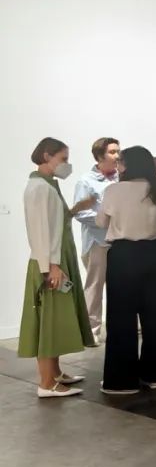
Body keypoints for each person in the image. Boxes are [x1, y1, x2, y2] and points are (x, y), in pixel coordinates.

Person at [98, 146, 156, 395]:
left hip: (123, 255)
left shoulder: (114, 191)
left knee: (121, 318)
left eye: (121, 161)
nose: (118, 165)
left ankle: (122, 381)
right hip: (155, 255)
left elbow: (101, 222)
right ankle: (154, 375)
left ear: (128, 164)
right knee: (153, 317)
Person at [19, 138, 96, 398]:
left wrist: (76, 209)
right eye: (63, 159)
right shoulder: (39, 188)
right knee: (49, 321)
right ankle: (46, 382)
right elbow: (40, 231)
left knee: (57, 317)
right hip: (51, 263)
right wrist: (50, 267)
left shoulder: (49, 185)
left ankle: (55, 373)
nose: (67, 164)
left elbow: (54, 221)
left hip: (58, 259)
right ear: (46, 156)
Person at [72, 137, 121, 345]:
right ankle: (91, 331)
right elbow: (80, 213)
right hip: (97, 241)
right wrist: (107, 219)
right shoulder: (86, 181)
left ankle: (121, 327)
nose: (117, 155)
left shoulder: (122, 179)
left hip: (120, 241)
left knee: (121, 286)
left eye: (118, 151)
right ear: (100, 156)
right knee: (95, 286)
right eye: (112, 152)